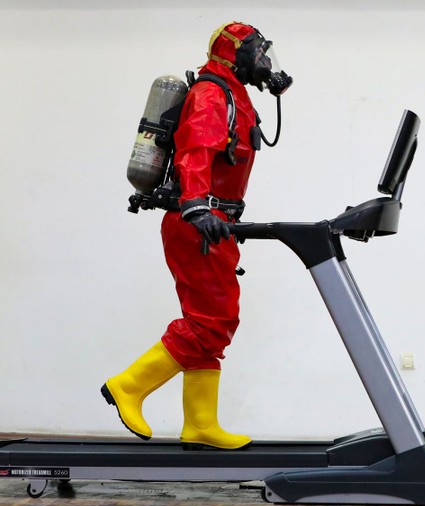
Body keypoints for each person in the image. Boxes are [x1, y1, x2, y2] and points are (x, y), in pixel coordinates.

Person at [102, 22, 292, 450]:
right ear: (236, 54)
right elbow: (194, 151)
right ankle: (128, 387)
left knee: (213, 322)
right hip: (197, 225)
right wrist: (197, 205)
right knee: (212, 322)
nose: (265, 63)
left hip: (215, 224)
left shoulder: (234, 94)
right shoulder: (212, 93)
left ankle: (200, 424)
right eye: (259, 54)